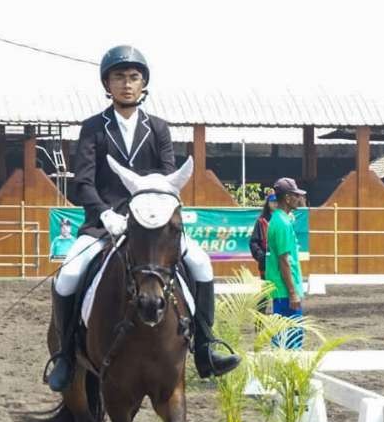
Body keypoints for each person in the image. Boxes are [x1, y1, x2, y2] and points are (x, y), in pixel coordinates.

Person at [45, 45, 240, 392]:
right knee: (68, 275)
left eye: (134, 77)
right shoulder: (93, 128)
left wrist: (154, 214)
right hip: (104, 223)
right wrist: (105, 214)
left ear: (143, 83)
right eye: (119, 77)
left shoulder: (159, 129)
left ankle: (205, 346)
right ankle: (64, 356)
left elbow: (167, 178)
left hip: (151, 227)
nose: (127, 84)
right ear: (108, 84)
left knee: (200, 262)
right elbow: (83, 182)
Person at [264, 177, 306, 349]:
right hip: (285, 290)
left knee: (283, 335)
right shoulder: (282, 223)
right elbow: (284, 261)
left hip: (281, 289)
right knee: (291, 339)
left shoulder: (280, 219)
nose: (299, 199)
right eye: (296, 195)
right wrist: (293, 292)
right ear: (287, 198)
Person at [249, 191, 277, 277]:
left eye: (277, 202)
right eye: (273, 202)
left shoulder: (283, 220)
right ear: (268, 203)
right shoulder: (261, 221)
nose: (275, 204)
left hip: (279, 261)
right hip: (266, 263)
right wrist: (261, 256)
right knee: (267, 288)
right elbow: (253, 242)